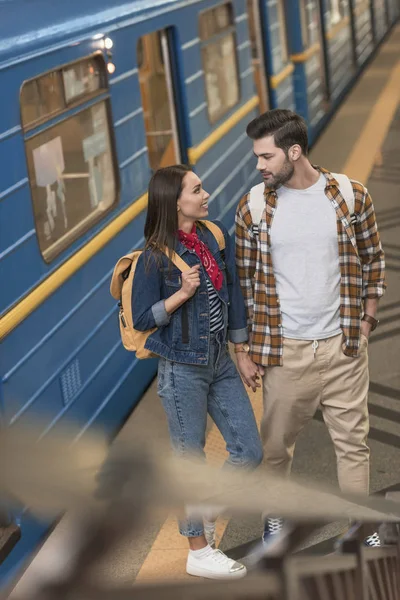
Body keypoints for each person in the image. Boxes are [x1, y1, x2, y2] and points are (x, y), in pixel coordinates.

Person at [235, 109, 386, 546]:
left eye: (266, 156)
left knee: (353, 444)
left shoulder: (349, 196)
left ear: (294, 151)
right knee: (277, 449)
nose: (259, 166)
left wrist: (368, 317)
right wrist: (243, 351)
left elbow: (374, 260)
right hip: (285, 351)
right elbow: (244, 281)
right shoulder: (255, 206)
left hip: (344, 346)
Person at [131, 164, 263, 579]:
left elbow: (235, 292)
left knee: (248, 451)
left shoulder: (213, 234)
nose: (205, 195)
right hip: (180, 369)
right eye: (197, 189)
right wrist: (180, 295)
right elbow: (140, 319)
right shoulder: (154, 255)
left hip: (220, 360)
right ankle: (197, 550)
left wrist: (241, 349)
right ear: (174, 203)